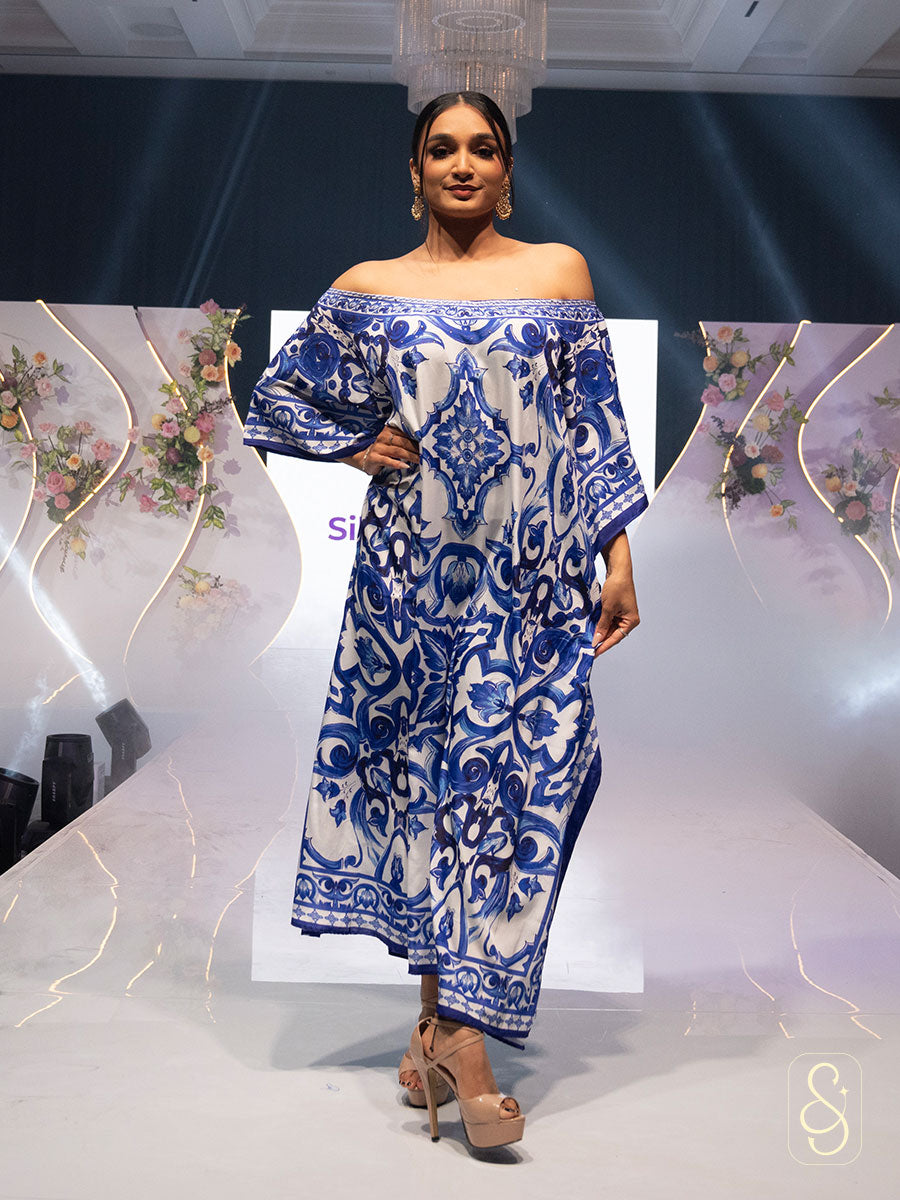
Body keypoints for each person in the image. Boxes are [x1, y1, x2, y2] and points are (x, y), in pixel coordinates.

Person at [243, 90, 647, 1150]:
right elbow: (274, 402)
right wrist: (352, 441)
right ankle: (446, 1035)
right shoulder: (369, 291)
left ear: (506, 171)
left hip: (529, 580)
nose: (462, 164)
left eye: (483, 149)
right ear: (414, 171)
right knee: (431, 788)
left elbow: (595, 419)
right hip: (407, 585)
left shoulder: (557, 272)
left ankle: (452, 1034)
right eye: (441, 149)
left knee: (518, 781)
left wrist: (619, 554)